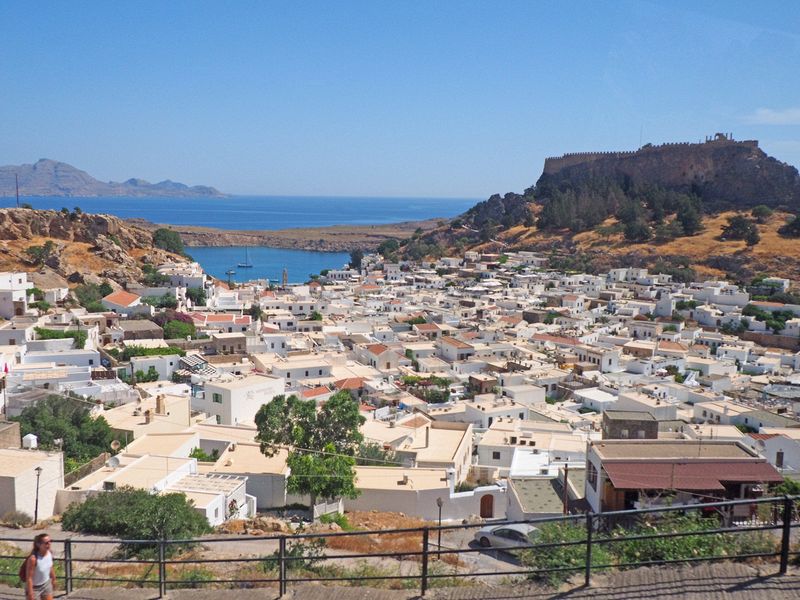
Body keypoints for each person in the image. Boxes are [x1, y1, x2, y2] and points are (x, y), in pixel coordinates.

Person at [24, 533, 56, 600]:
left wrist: (53, 579)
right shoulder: (33, 559)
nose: (49, 544)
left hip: (46, 584)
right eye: (46, 543)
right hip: (34, 588)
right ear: (38, 545)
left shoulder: (49, 553)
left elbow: (50, 566)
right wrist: (30, 593)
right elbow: (29, 578)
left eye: (50, 541)